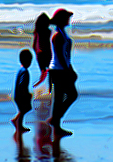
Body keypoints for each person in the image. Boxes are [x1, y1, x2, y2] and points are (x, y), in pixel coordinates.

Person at [47, 8, 78, 137]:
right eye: (67, 17)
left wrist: (70, 68)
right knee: (69, 95)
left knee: (64, 97)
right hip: (58, 70)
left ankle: (56, 121)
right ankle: (55, 121)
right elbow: (60, 55)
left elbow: (65, 56)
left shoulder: (61, 33)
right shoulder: (57, 36)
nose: (69, 19)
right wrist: (68, 70)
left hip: (61, 68)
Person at [11, 49, 34, 133]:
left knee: (23, 109)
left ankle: (16, 121)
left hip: (17, 95)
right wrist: (26, 94)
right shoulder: (25, 71)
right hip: (21, 95)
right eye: (30, 60)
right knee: (25, 108)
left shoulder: (20, 70)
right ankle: (18, 124)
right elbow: (22, 84)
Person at [32, 13, 52, 91]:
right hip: (47, 53)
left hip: (40, 54)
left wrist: (37, 54)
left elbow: (34, 45)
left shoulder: (37, 32)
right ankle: (50, 90)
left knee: (44, 73)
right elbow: (48, 44)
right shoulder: (47, 31)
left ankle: (38, 87)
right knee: (50, 73)